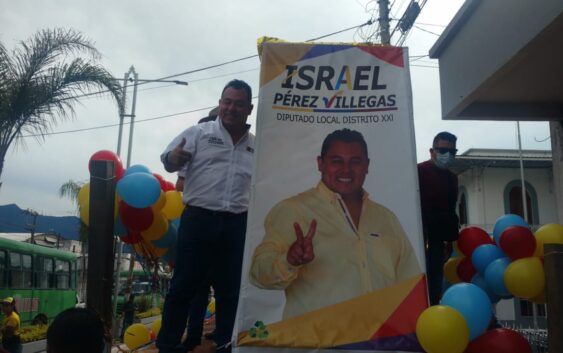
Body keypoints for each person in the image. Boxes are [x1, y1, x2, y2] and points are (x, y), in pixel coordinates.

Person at [250, 128, 421, 319]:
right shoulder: (293, 210)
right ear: (320, 164)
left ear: (367, 165)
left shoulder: (386, 219)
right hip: (317, 345)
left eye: (355, 161)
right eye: (336, 161)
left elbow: (410, 283)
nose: (346, 169)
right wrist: (289, 261)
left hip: (377, 342)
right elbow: (258, 274)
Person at [157, 79, 254, 353]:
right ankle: (167, 346)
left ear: (250, 109)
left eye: (238, 103)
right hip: (198, 221)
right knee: (183, 287)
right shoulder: (199, 133)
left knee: (231, 292)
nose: (231, 108)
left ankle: (225, 345)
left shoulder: (257, 146)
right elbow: (168, 159)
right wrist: (173, 159)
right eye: (227, 101)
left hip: (237, 225)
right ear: (219, 103)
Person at [175, 106, 219, 352]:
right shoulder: (195, 144)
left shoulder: (242, 146)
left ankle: (222, 333)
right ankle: (190, 335)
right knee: (194, 285)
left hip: (229, 222)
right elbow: (180, 182)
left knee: (225, 284)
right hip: (199, 219)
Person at [417, 131, 459, 305]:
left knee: (435, 283)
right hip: (419, 235)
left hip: (439, 240)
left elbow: (451, 208)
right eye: (442, 151)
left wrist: (449, 241)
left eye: (452, 152)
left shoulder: (452, 178)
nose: (447, 155)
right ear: (431, 151)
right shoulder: (418, 171)